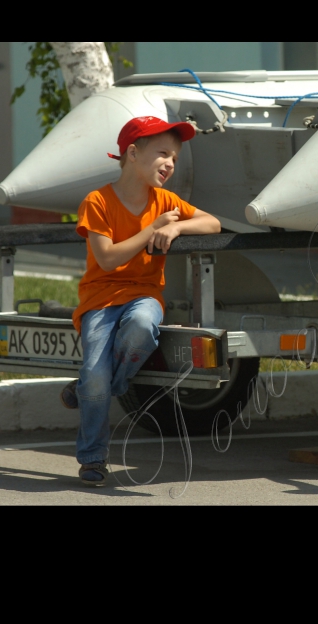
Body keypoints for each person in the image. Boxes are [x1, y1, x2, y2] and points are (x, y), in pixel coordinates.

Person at [60, 116, 221, 487]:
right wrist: (153, 227)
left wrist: (177, 226)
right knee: (95, 377)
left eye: (175, 158)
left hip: (144, 297)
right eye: (163, 153)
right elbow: (108, 258)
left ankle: (91, 390)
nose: (170, 163)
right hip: (100, 300)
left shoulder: (165, 201)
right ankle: (93, 459)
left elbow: (212, 223)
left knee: (140, 328)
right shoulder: (97, 201)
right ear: (133, 153)